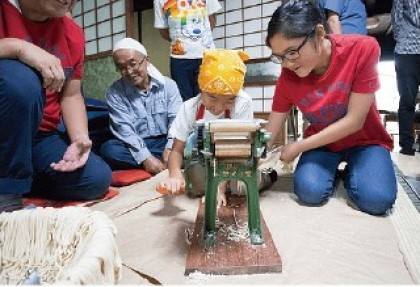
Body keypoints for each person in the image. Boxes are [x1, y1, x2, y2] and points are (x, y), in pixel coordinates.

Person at [264, 0, 396, 215]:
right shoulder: (288, 76)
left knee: (377, 201)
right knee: (309, 193)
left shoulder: (362, 49)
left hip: (366, 141)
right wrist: (251, 156)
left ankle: (356, 171)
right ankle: (334, 172)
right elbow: (270, 129)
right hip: (323, 145)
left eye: (292, 52)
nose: (287, 64)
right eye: (279, 57)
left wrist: (299, 146)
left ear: (319, 33)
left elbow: (355, 121)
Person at [0, 0, 112, 213]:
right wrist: (18, 48)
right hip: (5, 129)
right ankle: (6, 196)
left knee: (95, 179)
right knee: (22, 80)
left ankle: (17, 180)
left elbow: (71, 95)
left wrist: (80, 138)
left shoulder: (72, 33)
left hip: (41, 136)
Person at [158, 49, 277, 207]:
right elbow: (176, 151)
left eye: (228, 101)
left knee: (243, 187)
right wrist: (174, 174)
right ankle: (220, 182)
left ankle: (267, 176)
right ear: (201, 88)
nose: (218, 107)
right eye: (212, 97)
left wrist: (219, 188)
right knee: (197, 186)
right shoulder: (189, 108)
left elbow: (239, 147)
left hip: (235, 155)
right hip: (203, 158)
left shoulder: (242, 102)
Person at [100, 38, 183, 175]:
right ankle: (163, 163)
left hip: (166, 140)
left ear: (147, 60)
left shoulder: (168, 85)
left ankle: (166, 160)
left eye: (133, 64)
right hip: (137, 144)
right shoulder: (114, 93)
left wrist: (170, 149)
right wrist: (146, 158)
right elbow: (124, 129)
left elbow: (176, 120)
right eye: (121, 68)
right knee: (109, 149)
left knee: (194, 143)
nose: (129, 71)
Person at [154, 0, 222, 102]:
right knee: (184, 102)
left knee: (209, 98)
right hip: (179, 59)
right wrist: (180, 40)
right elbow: (163, 30)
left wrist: (200, 40)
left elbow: (212, 17)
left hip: (206, 55)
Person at [391, 0, 420, 156]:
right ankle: (407, 145)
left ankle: (408, 145)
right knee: (407, 100)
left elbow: (396, 18)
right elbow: (396, 17)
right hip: (407, 48)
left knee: (407, 100)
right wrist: (403, 38)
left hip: (406, 48)